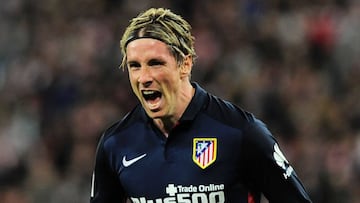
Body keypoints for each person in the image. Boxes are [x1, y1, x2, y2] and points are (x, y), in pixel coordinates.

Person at [90, 7, 312, 203]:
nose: (144, 77)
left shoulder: (242, 133)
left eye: (155, 63)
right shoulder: (116, 144)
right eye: (134, 66)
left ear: (185, 64)